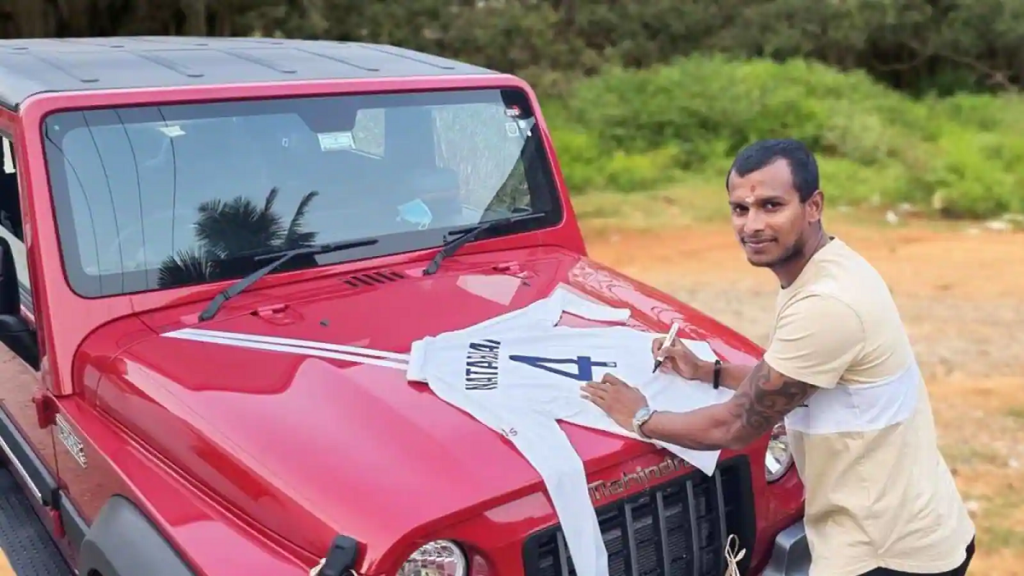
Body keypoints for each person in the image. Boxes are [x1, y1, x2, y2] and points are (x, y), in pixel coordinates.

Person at [580, 138, 976, 576]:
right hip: (911, 524)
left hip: (886, 554)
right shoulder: (828, 267)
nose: (752, 225)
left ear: (813, 206)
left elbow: (735, 425)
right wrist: (706, 371)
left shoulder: (827, 303)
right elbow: (794, 380)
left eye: (771, 206)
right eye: (740, 209)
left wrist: (640, 417)